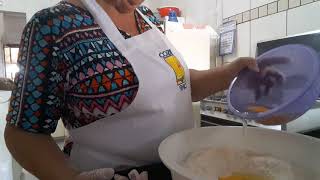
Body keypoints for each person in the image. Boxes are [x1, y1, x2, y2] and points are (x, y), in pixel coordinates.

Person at [4, 0, 259, 179]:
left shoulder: (147, 18)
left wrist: (230, 73)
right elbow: (23, 135)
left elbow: (178, 85)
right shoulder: (53, 26)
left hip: (178, 169)